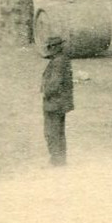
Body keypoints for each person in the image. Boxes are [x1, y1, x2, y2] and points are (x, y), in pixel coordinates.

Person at [40, 34, 75, 166]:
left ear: (54, 48)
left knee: (52, 132)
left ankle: (56, 160)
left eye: (50, 47)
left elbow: (55, 83)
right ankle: (60, 159)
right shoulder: (63, 59)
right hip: (60, 103)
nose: (48, 50)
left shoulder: (57, 62)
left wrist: (46, 93)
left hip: (54, 103)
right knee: (59, 132)